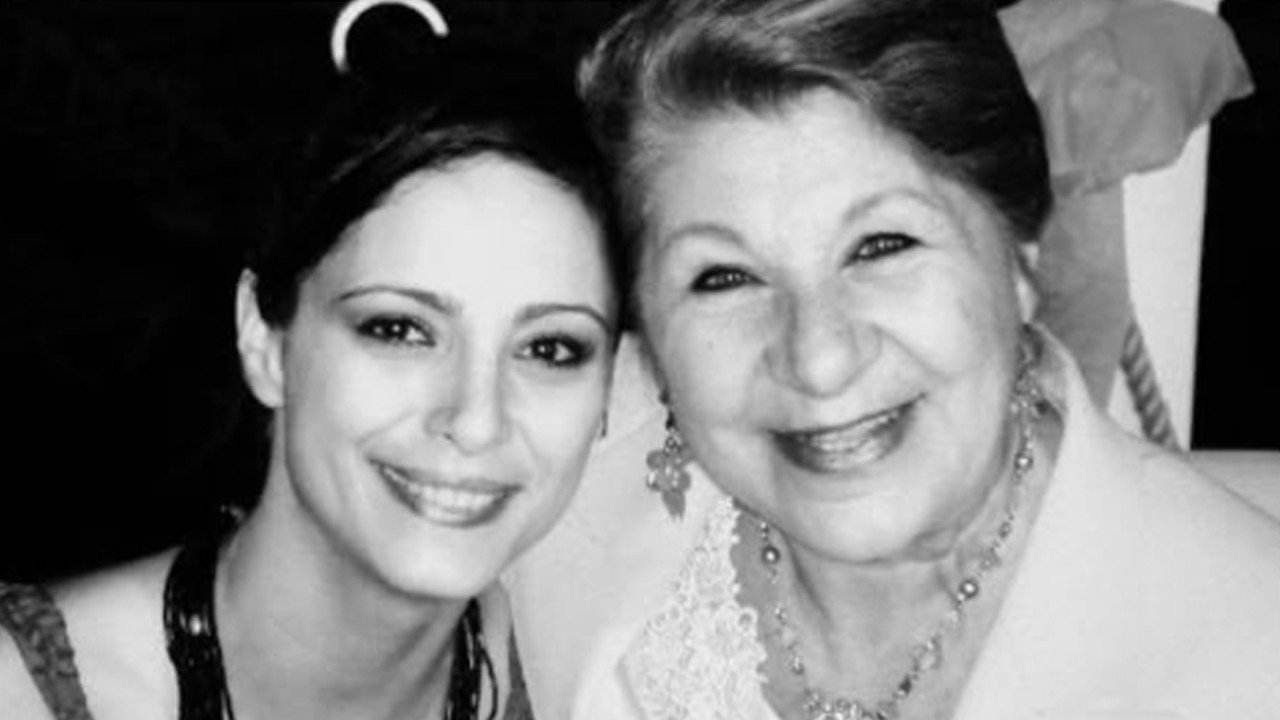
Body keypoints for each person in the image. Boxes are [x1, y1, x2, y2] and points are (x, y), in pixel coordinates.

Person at [504, 0, 1280, 718]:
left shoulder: (1253, 652)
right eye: (724, 277)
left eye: (882, 245)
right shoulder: (551, 542)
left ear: (1020, 260)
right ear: (646, 327)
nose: (819, 359)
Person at [0, 2, 621, 719]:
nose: (477, 420)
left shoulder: (598, 678)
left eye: (550, 349)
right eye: (399, 329)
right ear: (264, 340)